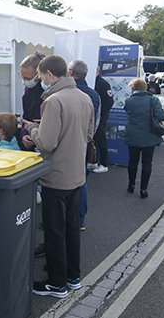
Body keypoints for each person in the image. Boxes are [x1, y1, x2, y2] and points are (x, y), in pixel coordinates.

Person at [22, 55, 94, 298]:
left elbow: (47, 143)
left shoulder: (53, 101)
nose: (40, 80)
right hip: (77, 174)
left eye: (41, 76)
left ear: (50, 74)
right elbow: (88, 135)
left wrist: (33, 128)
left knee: (54, 231)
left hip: (56, 176)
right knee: (71, 229)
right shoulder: (84, 97)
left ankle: (56, 283)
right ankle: (73, 277)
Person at [68, 59, 100, 232]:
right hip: (84, 143)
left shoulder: (65, 93)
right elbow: (95, 122)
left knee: (62, 182)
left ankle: (63, 218)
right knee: (81, 181)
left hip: (66, 145)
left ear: (71, 73)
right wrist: (87, 139)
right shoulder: (94, 95)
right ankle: (80, 219)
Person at [124, 78, 164, 198]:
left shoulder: (128, 101)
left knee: (133, 161)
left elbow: (128, 112)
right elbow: (161, 116)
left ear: (133, 88)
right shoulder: (153, 100)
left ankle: (131, 185)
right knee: (147, 163)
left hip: (133, 135)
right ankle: (143, 189)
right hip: (149, 137)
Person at [19, 51, 46, 151]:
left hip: (44, 141)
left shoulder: (48, 91)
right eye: (22, 77)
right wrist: (24, 135)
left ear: (38, 75)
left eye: (27, 78)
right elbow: (25, 118)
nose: (24, 81)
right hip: (31, 138)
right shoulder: (28, 90)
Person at [92, 66, 114, 173]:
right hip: (93, 116)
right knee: (93, 139)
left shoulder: (103, 84)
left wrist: (101, 115)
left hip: (100, 116)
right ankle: (94, 161)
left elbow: (109, 101)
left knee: (100, 139)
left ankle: (104, 164)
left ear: (97, 70)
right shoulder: (92, 81)